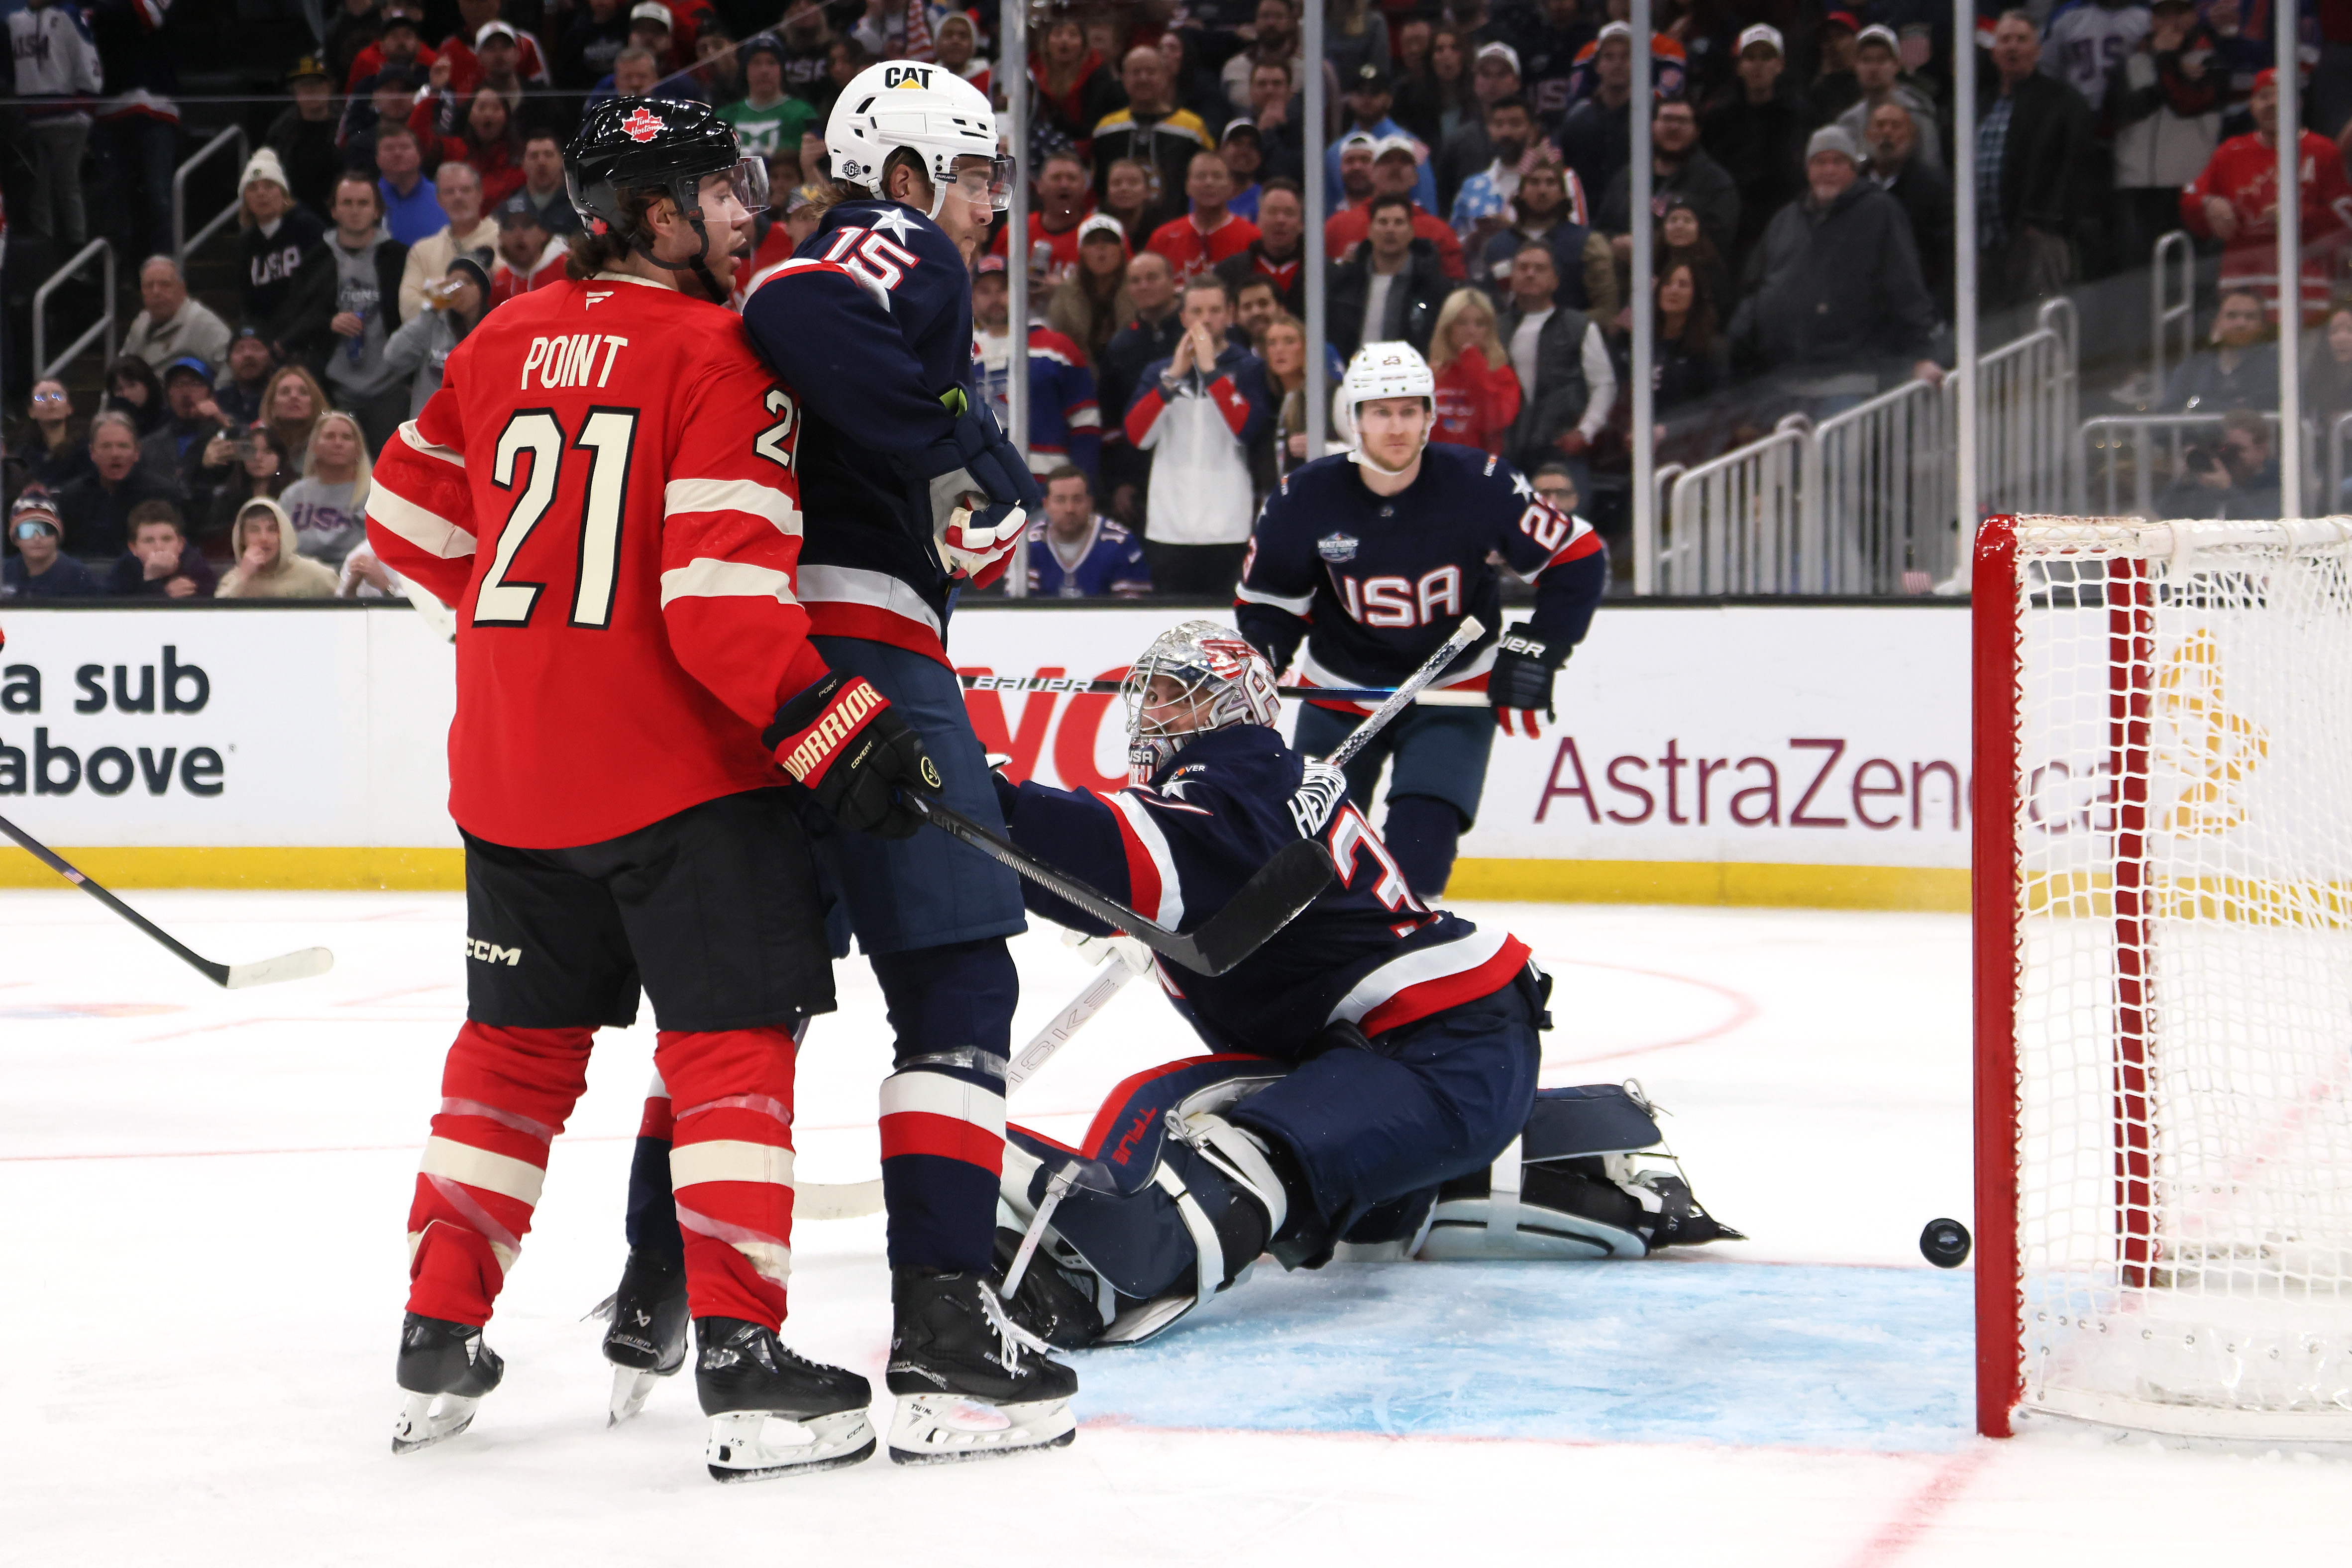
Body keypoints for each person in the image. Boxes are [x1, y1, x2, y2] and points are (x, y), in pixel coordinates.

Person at [359, 95, 887, 1478]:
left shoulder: (506, 333)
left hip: (514, 779)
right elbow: (721, 605)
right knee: (728, 1047)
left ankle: (436, 1324)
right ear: (648, 215)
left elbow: (403, 523)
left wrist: (528, 637)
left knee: (513, 1061)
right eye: (716, 190)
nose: (743, 209)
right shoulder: (722, 354)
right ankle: (744, 1358)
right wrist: (833, 721)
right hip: (680, 782)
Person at [985, 627, 1735, 1349]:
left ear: (1234, 707)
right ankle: (1521, 1173)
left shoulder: (1233, 777)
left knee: (1249, 1152)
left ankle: (1121, 1265)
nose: (1154, 715)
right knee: (1187, 1119)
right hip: (1400, 1047)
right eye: (1151, 698)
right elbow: (1197, 882)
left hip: (1438, 1045)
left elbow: (1108, 844)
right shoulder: (1256, 781)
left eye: (1179, 698)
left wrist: (989, 799)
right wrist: (1122, 920)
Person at [735, 68, 1079, 1460]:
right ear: (905, 165)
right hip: (865, 652)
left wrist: (962, 462)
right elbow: (791, 309)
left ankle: (670, 1292)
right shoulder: (893, 237)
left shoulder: (884, 258)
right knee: (955, 974)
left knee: (752, 982)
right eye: (978, 171)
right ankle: (942, 1332)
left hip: (763, 660)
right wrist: (961, 432)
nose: (994, 200)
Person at [1236, 343, 1607, 897]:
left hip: (1450, 693)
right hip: (1341, 690)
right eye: (1380, 412)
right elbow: (1270, 601)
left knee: (1420, 850)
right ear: (1353, 418)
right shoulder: (1303, 498)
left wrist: (1539, 647)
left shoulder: (1479, 485)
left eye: (1409, 411)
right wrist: (1262, 658)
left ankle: (1405, 967)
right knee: (1309, 857)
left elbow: (1578, 555)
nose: (1396, 427)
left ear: (1430, 417)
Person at [1732, 126, 1942, 417]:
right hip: (1783, 382)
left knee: (1840, 462)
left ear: (1853, 169)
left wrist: (1921, 355)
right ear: (1807, 169)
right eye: (1820, 162)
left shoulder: (1879, 212)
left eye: (1838, 162)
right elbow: (1756, 286)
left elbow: (1904, 284)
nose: (1828, 170)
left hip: (1849, 378)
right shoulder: (1786, 220)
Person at [1121, 275, 1274, 593]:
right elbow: (1137, 436)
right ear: (1183, 317)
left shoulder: (1249, 369)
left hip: (1229, 527)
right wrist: (1173, 378)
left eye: (1215, 310)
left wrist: (1211, 372)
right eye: (1197, 311)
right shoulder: (1159, 372)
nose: (1206, 319)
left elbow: (1246, 431)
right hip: (1168, 527)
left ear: (1230, 315)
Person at [2182, 66, 2352, 325]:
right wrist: (2208, 204)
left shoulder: (2322, 151)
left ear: (2298, 104)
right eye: (2264, 97)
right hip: (2241, 293)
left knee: (2302, 365)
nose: (2273, 104)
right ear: (2251, 106)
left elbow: (2346, 219)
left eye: (2281, 96)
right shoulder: (2231, 152)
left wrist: (2303, 216)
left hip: (2305, 288)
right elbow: (2190, 200)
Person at [1978, 11, 2093, 312]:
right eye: (2005, 40)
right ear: (1994, 51)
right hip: (1982, 241)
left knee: (2038, 325)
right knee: (1991, 335)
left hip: (2037, 238)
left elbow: (2076, 170)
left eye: (2021, 39)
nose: (2013, 47)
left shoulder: (2063, 102)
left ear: (2038, 50)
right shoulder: (1977, 105)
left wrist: (2048, 223)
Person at [2105, 0, 2223, 274]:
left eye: (2180, 11)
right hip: (2136, 186)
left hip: (2190, 187)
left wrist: (2164, 62)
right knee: (2136, 278)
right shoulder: (2130, 64)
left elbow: (2187, 104)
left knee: (2190, 276)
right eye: (2164, 13)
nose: (2173, 21)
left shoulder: (2212, 63)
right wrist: (2166, 65)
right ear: (2152, 20)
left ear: (2194, 16)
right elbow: (2119, 114)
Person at [973, 260, 1103, 485]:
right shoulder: (960, 353)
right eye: (984, 291)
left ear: (1021, 292)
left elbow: (1086, 423)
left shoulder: (1057, 348)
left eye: (1003, 289)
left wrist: (1082, 484)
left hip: (1050, 490)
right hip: (982, 487)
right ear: (971, 298)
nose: (995, 299)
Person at [1703, 24, 1816, 278]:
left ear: (1780, 64)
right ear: (1738, 66)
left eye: (1767, 57)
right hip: (1734, 229)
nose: (1758, 66)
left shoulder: (1798, 115)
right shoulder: (1719, 117)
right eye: (1751, 58)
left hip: (1786, 223)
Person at [1496, 242, 1614, 483]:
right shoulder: (1495, 328)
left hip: (1561, 452)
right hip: (1507, 453)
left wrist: (1585, 431)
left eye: (1540, 269)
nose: (1530, 274)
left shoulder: (1579, 326)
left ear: (1555, 280)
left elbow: (1604, 384)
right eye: (1523, 268)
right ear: (1512, 277)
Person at [322, 175, 414, 453]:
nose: (354, 210)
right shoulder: (318, 257)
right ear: (334, 210)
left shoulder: (400, 257)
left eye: (363, 203)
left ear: (377, 211)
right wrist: (329, 321)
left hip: (389, 389)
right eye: (347, 203)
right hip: (335, 388)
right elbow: (300, 315)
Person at [1597, 98, 1738, 270]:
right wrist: (1615, 243)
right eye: (1667, 120)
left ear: (1697, 131)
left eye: (1682, 121)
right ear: (1652, 126)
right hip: (1625, 281)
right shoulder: (1628, 177)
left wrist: (1653, 247)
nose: (1673, 128)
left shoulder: (1715, 183)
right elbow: (1600, 229)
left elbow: (1717, 243)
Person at [7, 0, 105, 247]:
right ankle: (46, 259)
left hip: (68, 121)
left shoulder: (70, 16)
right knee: (40, 193)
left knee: (67, 187)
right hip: (32, 122)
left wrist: (84, 113)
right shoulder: (15, 22)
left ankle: (77, 257)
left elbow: (90, 66)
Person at [1093, 44, 1218, 234]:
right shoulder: (1107, 129)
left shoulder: (1192, 128)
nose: (1143, 79)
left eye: (1151, 72)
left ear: (1165, 77)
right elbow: (1098, 188)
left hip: (1175, 234)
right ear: (1124, 79)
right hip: (1116, 236)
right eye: (1136, 72)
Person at [1479, 160, 1613, 318]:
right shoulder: (1496, 246)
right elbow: (1483, 310)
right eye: (1534, 182)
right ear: (1520, 192)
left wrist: (1563, 329)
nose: (1542, 191)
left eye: (1551, 183)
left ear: (1563, 193)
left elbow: (1607, 312)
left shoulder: (1589, 244)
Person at [237, 150, 333, 365]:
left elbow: (320, 291)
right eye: (253, 188)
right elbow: (249, 302)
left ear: (283, 193)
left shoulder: (307, 228)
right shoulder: (248, 243)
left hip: (310, 336)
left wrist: (292, 337)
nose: (261, 194)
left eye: (269, 186)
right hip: (271, 340)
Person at [1325, 137, 1468, 281]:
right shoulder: (1339, 226)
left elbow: (1455, 286)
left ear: (1415, 178)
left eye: (1405, 162)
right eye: (1386, 161)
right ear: (1372, 175)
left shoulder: (1440, 232)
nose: (1395, 167)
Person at [1329, 193, 1452, 358]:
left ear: (1411, 232)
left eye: (1399, 223)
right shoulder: (1344, 283)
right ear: (1370, 231)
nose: (1390, 230)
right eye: (1383, 222)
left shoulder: (1432, 288)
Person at [1866, 105, 1955, 318]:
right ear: (1867, 134)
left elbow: (1946, 256)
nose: (1887, 132)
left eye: (1896, 126)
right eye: (1880, 125)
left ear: (1912, 136)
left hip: (1914, 306)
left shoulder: (1934, 188)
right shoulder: (1853, 188)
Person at [1098, 250, 1186, 459]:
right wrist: (1121, 480)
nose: (1144, 286)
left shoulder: (1194, 334)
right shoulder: (1121, 346)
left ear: (1173, 281)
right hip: (1139, 463)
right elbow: (1112, 417)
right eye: (1136, 281)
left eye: (1152, 278)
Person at [59, 412, 184, 557]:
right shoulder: (72, 496)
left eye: (123, 446)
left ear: (137, 452)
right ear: (92, 453)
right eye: (106, 446)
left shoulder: (162, 493)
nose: (115, 454)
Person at [1020, 466, 1152, 597]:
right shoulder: (1028, 545)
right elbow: (1020, 611)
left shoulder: (1121, 543)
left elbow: (1132, 612)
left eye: (1077, 499)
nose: (1070, 509)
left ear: (1090, 503)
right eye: (1060, 500)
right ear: (1046, 505)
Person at [383, 256, 491, 415]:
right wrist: (430, 311)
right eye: (452, 282)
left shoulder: (492, 329)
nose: (458, 289)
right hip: (428, 428)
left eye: (468, 283)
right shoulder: (433, 322)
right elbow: (393, 357)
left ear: (482, 291)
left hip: (472, 424)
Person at [1329, 61, 1439, 214]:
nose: (1367, 98)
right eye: (1360, 92)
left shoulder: (1412, 147)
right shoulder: (1334, 152)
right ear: (1349, 99)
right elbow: (1327, 208)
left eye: (1375, 92)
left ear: (1389, 99)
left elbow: (1426, 205)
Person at [1427, 288, 1522, 454]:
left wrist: (1472, 361)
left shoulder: (1503, 375)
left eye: (1480, 324)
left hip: (1483, 468)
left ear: (1489, 330)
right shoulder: (1431, 375)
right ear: (1448, 327)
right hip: (1435, 468)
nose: (1471, 331)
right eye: (1462, 323)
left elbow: (1491, 421)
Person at [399, 161, 500, 317]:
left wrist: (437, 294)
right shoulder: (423, 250)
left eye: (465, 190)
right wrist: (449, 314)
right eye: (450, 192)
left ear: (480, 194)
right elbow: (408, 304)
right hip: (439, 339)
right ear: (439, 199)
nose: (458, 197)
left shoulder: (504, 240)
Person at [1837, 24, 1942, 170]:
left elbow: (1932, 170)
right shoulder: (1848, 122)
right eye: (1866, 60)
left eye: (1882, 60)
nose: (1874, 68)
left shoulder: (1918, 115)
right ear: (1856, 66)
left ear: (1897, 65)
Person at [138, 357, 231, 522]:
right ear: (169, 395)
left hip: (214, 525)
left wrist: (221, 419)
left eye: (195, 384)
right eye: (179, 385)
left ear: (210, 393)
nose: (187, 393)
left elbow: (252, 447)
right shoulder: (149, 446)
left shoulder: (226, 433)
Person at [1147, 151, 1262, 282]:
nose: (1209, 183)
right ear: (1187, 186)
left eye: (1217, 176)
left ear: (1230, 186)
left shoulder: (1252, 238)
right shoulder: (1163, 237)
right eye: (1201, 176)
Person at [1555, 24, 1634, 214]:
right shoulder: (1576, 121)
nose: (1618, 64)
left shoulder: (1652, 120)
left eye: (1626, 56)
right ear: (1598, 66)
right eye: (1609, 57)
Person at [279, 411, 373, 568]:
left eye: (347, 438)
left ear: (358, 449)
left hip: (355, 573)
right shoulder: (293, 495)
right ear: (315, 446)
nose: (338, 443)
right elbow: (281, 542)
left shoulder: (374, 495)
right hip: (300, 573)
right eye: (330, 436)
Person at [1447, 94, 1543, 243]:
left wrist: (1512, 230)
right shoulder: (1472, 187)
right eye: (1499, 125)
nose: (1506, 132)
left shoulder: (1555, 181)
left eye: (1515, 124)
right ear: (1489, 130)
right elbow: (1454, 243)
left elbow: (1571, 239)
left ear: (1533, 132)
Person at [990, 149, 1096, 283]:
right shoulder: (1014, 232)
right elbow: (992, 283)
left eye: (1072, 178)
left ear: (1084, 186)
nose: (1064, 185)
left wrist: (1063, 291)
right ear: (1039, 186)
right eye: (1056, 177)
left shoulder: (1100, 234)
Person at [2165, 287, 2280, 411]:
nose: (2241, 323)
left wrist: (2199, 407)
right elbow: (2166, 416)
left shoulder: (2279, 369)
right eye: (2232, 316)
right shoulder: (2192, 370)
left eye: (2250, 317)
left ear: (2263, 326)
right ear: (2216, 323)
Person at [2154, 408, 2283, 517]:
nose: (2231, 457)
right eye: (2226, 449)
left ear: (2262, 450)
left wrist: (2227, 490)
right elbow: (2164, 514)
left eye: (2238, 450)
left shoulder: (2277, 482)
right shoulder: (2214, 477)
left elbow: (2260, 530)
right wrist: (2185, 479)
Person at [1048, 215, 1138, 368]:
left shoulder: (1138, 287)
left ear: (1122, 248)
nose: (1101, 248)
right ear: (1081, 251)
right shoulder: (1065, 295)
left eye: (1109, 241)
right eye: (1092, 242)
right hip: (1079, 371)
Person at [1214, 177, 1309, 318]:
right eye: (1272, 212)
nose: (1280, 220)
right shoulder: (1228, 273)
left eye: (1289, 213)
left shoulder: (1325, 275)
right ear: (1258, 219)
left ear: (1302, 223)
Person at [121, 257, 233, 376]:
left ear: (182, 289)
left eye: (165, 285)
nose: (156, 292)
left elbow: (231, 367)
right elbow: (122, 371)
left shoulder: (203, 322)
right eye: (149, 286)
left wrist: (214, 394)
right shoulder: (141, 322)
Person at [214, 496, 338, 598]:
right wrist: (244, 577)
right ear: (242, 539)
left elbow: (346, 604)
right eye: (254, 530)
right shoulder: (234, 579)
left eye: (272, 529)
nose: (264, 538)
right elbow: (216, 617)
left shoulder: (314, 573)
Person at [268, 56, 345, 216]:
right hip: (292, 214)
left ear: (331, 86)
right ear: (294, 90)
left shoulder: (347, 125)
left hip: (339, 213)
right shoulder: (281, 130)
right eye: (304, 85)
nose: (311, 90)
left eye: (318, 83)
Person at [202, 425, 296, 550]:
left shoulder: (295, 493)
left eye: (268, 452)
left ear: (280, 458)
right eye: (250, 451)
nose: (258, 458)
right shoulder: (229, 496)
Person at [106, 500, 218, 599]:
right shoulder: (124, 570)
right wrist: (153, 582)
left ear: (181, 544)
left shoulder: (195, 566)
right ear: (133, 548)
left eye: (167, 539)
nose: (159, 547)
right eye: (149, 540)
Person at [1, 492, 100, 600]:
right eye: (27, 530)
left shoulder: (78, 578)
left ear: (58, 537)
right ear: (15, 538)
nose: (37, 539)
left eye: (46, 530)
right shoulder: (4, 572)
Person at [13, 382, 92, 494]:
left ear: (69, 408)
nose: (50, 401)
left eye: (57, 396)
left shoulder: (86, 450)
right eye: (41, 397)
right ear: (31, 412)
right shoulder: (23, 456)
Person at [486, 195, 566, 305]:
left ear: (544, 233)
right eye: (510, 227)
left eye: (527, 225)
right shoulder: (500, 282)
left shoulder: (567, 270)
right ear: (501, 236)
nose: (519, 234)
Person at [375, 125, 446, 248]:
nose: (397, 153)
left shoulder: (444, 197)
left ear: (419, 155)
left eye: (405, 147)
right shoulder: (366, 199)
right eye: (389, 148)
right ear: (377, 159)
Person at [1261, 311, 1313, 473]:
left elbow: (1359, 446)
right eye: (1272, 343)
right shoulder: (1268, 401)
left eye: (1290, 342)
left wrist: (1322, 446)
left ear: (1306, 347)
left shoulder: (1329, 395)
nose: (1279, 350)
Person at [257, 365, 331, 477]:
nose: (294, 397)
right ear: (272, 406)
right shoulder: (258, 442)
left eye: (303, 392)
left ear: (314, 403)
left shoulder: (330, 441)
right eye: (285, 392)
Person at [213, 329, 281, 433]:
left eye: (256, 348)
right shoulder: (219, 401)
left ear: (271, 358)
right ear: (229, 361)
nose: (248, 355)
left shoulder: (283, 398)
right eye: (239, 349)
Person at [514, 132, 581, 236]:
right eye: (534, 156)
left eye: (548, 155)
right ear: (523, 163)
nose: (541, 162)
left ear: (562, 161)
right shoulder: (511, 208)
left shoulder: (579, 208)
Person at [103, 355, 169, 440]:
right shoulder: (108, 424)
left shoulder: (168, 420)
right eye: (119, 389)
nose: (126, 394)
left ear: (148, 385)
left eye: (132, 386)